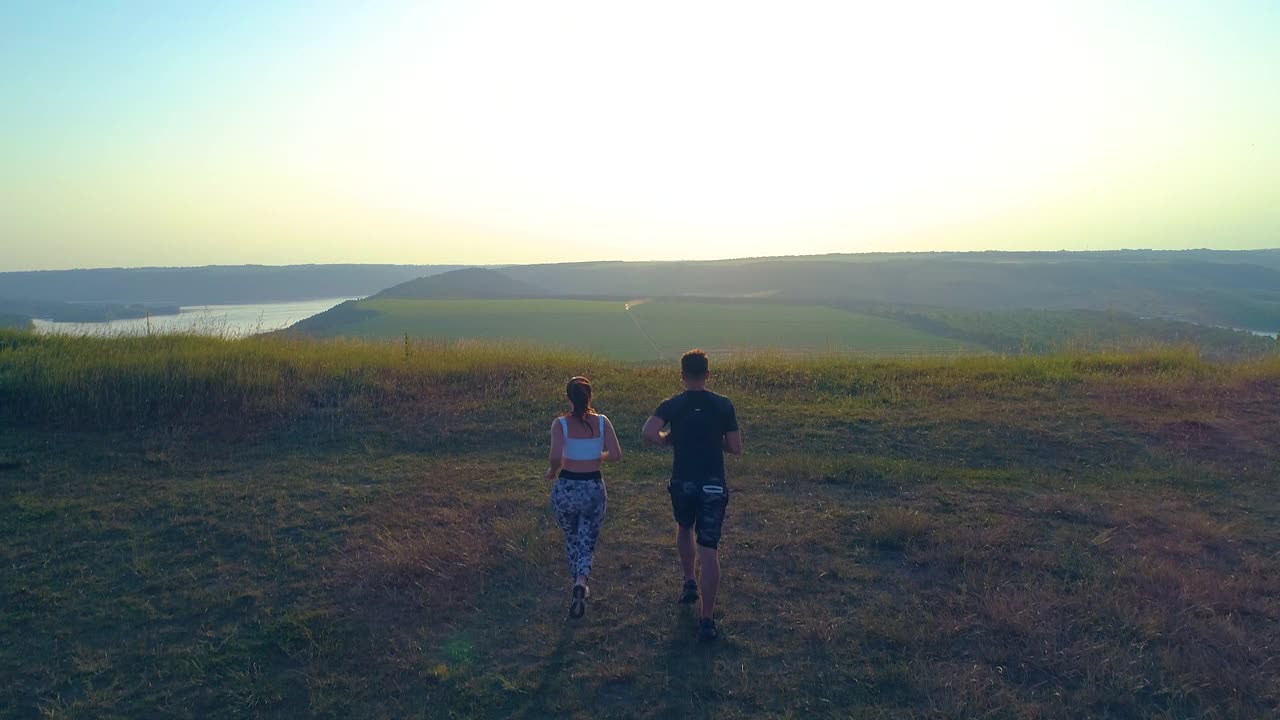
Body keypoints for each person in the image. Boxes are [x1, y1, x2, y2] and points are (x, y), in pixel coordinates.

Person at [641, 349, 742, 641]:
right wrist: (716, 441)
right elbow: (735, 447)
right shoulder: (723, 405)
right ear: (708, 375)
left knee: (684, 527)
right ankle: (707, 619)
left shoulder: (672, 404)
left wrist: (668, 439)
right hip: (712, 483)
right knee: (709, 548)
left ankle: (689, 581)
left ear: (682, 375)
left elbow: (648, 433)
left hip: (683, 481)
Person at [546, 376, 622, 619]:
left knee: (572, 537)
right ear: (590, 397)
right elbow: (616, 454)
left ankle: (576, 581)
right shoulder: (602, 422)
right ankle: (581, 580)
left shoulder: (560, 424)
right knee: (587, 538)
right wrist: (598, 457)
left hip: (567, 485)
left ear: (568, 397)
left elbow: (555, 455)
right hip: (593, 486)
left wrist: (553, 470)